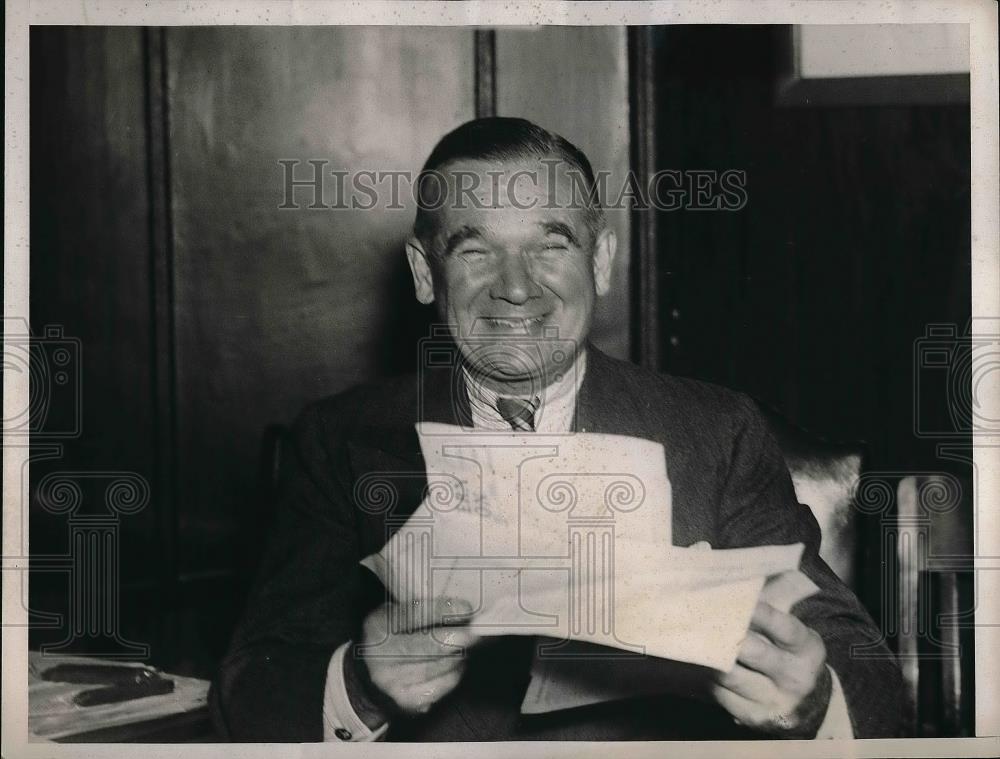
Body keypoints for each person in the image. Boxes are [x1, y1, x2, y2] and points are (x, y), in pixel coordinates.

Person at [211, 117, 902, 741]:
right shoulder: (341, 440)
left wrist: (812, 702)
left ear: (599, 262)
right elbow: (246, 696)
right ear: (425, 273)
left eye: (551, 244)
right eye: (475, 250)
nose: (516, 286)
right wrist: (361, 685)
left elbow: (861, 667)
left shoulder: (716, 430)